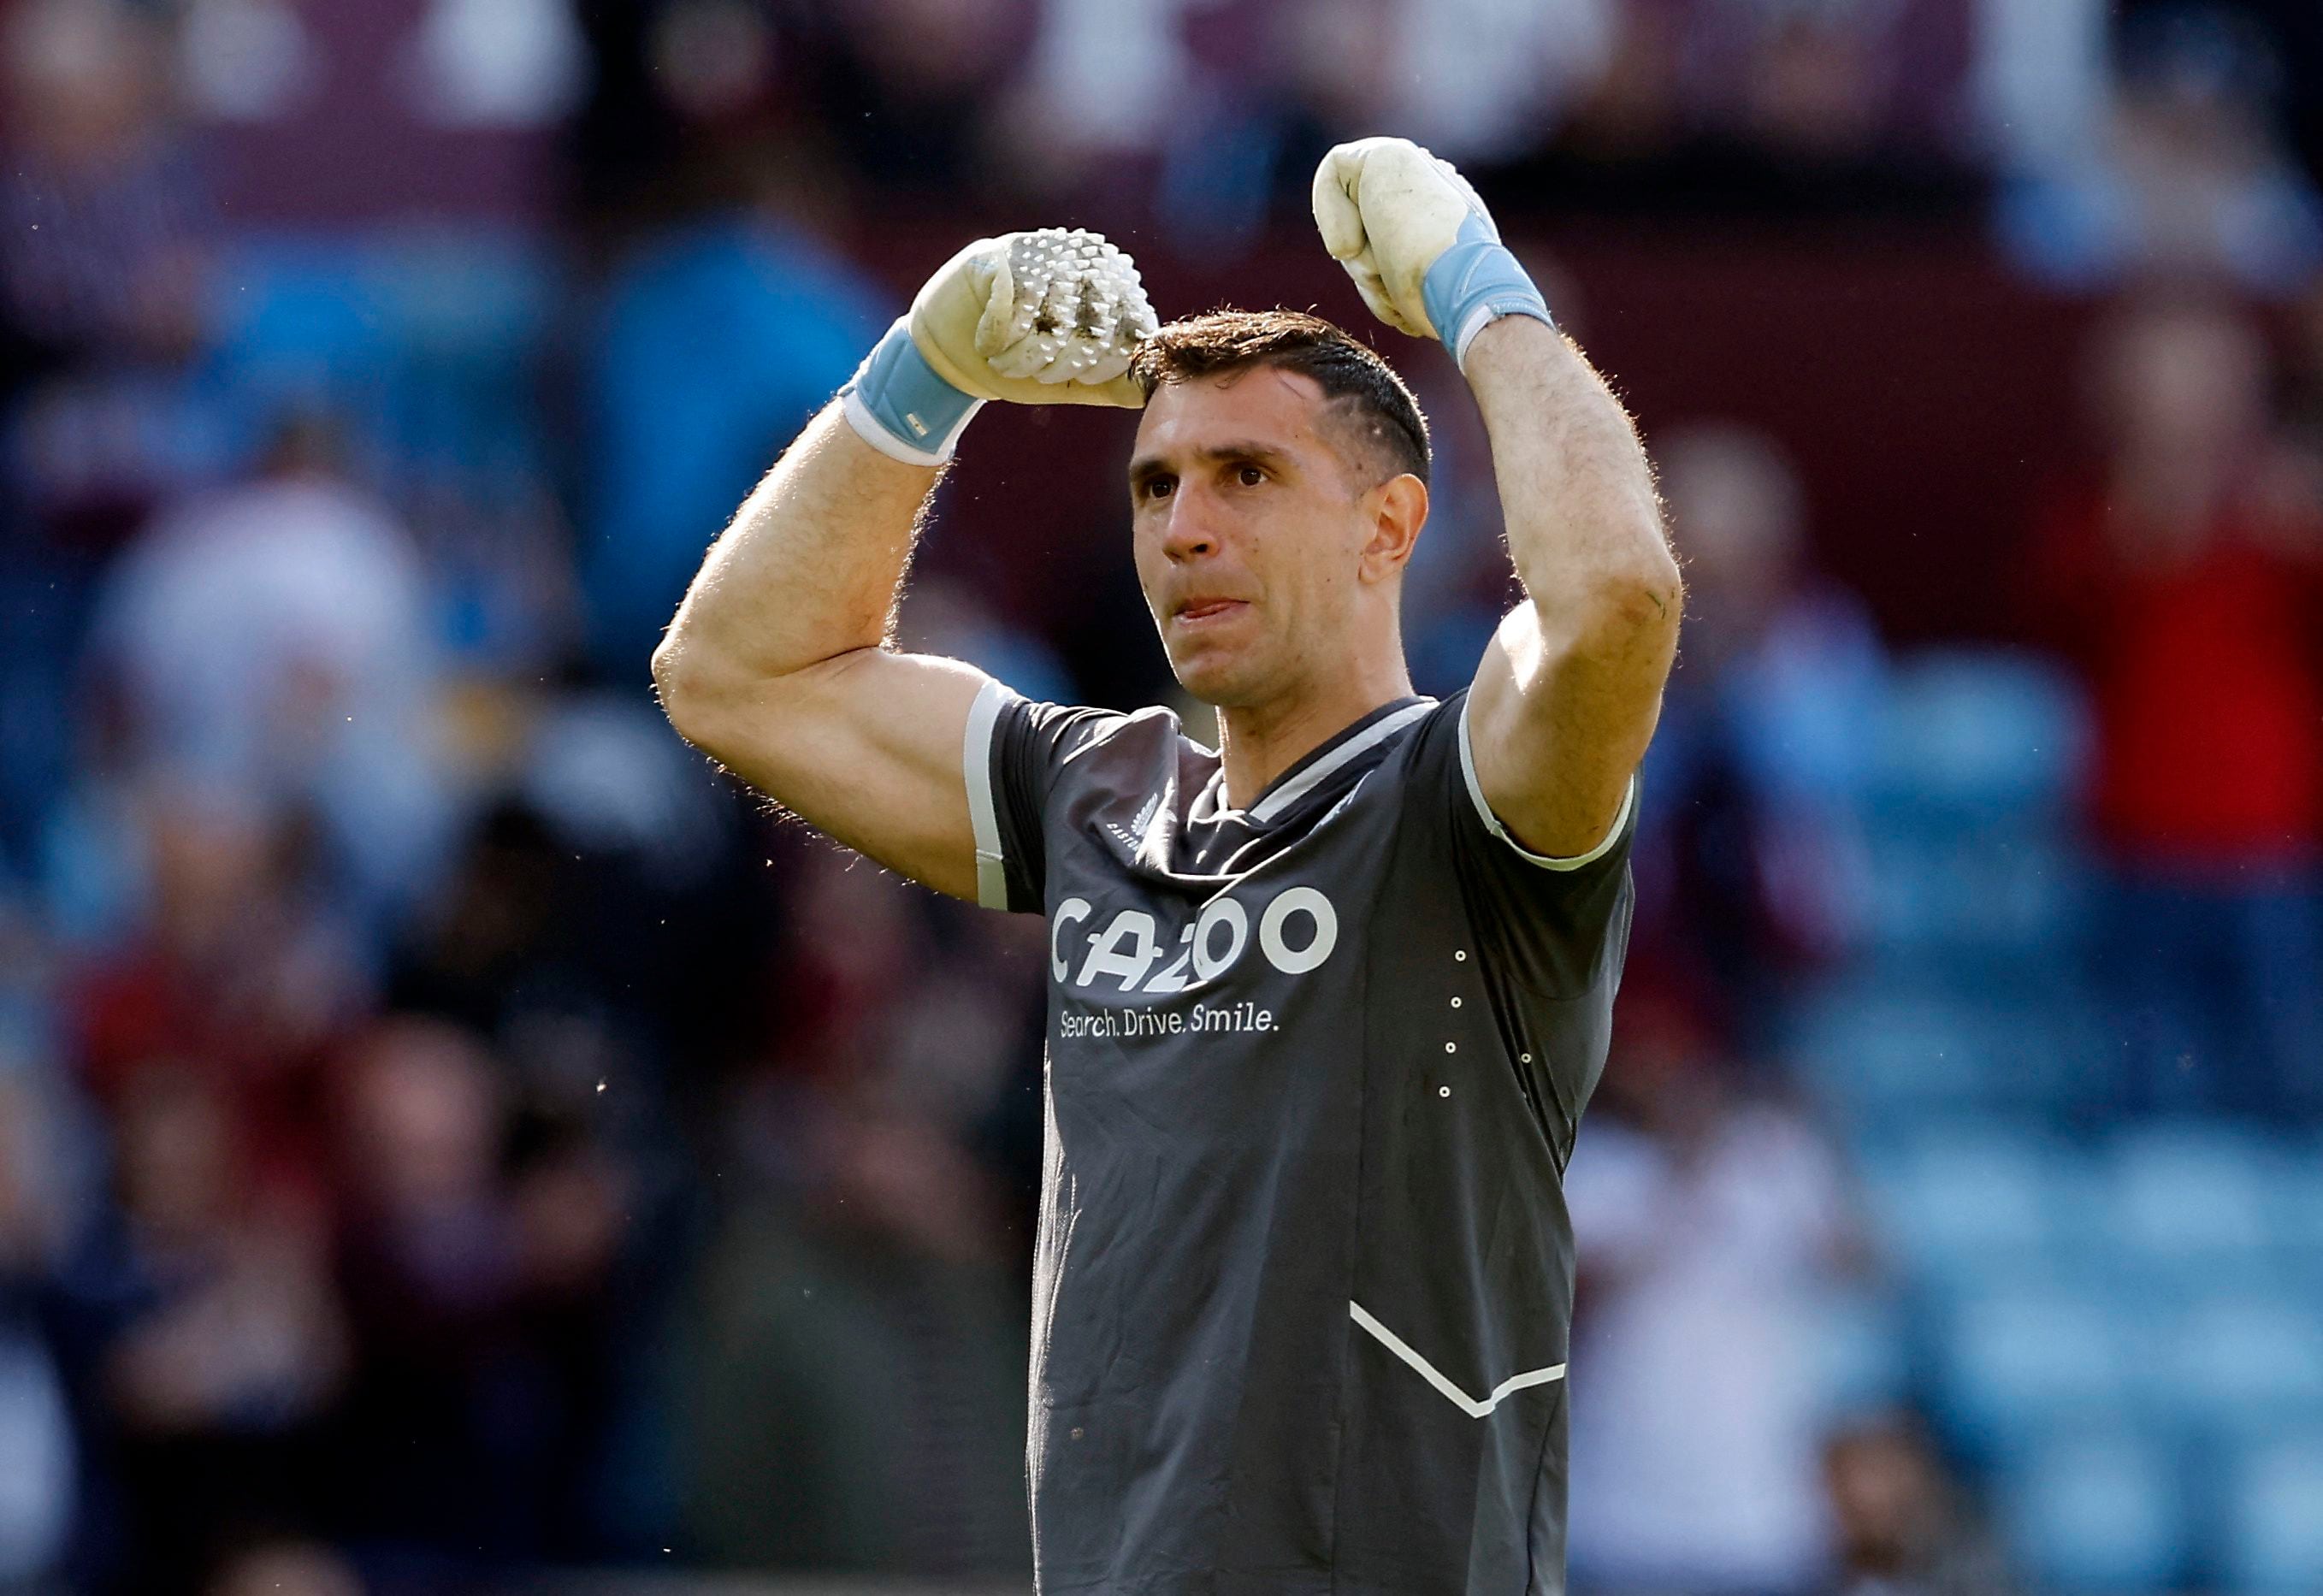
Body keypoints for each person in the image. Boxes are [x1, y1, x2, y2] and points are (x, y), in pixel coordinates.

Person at [653, 136, 1682, 1593]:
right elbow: (733, 675)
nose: (1185, 528)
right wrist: (923, 373)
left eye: (1247, 474)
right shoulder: (1094, 798)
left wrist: (1477, 284)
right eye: (1155, 487)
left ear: (1391, 524)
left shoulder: (1470, 799)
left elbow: (1620, 599)